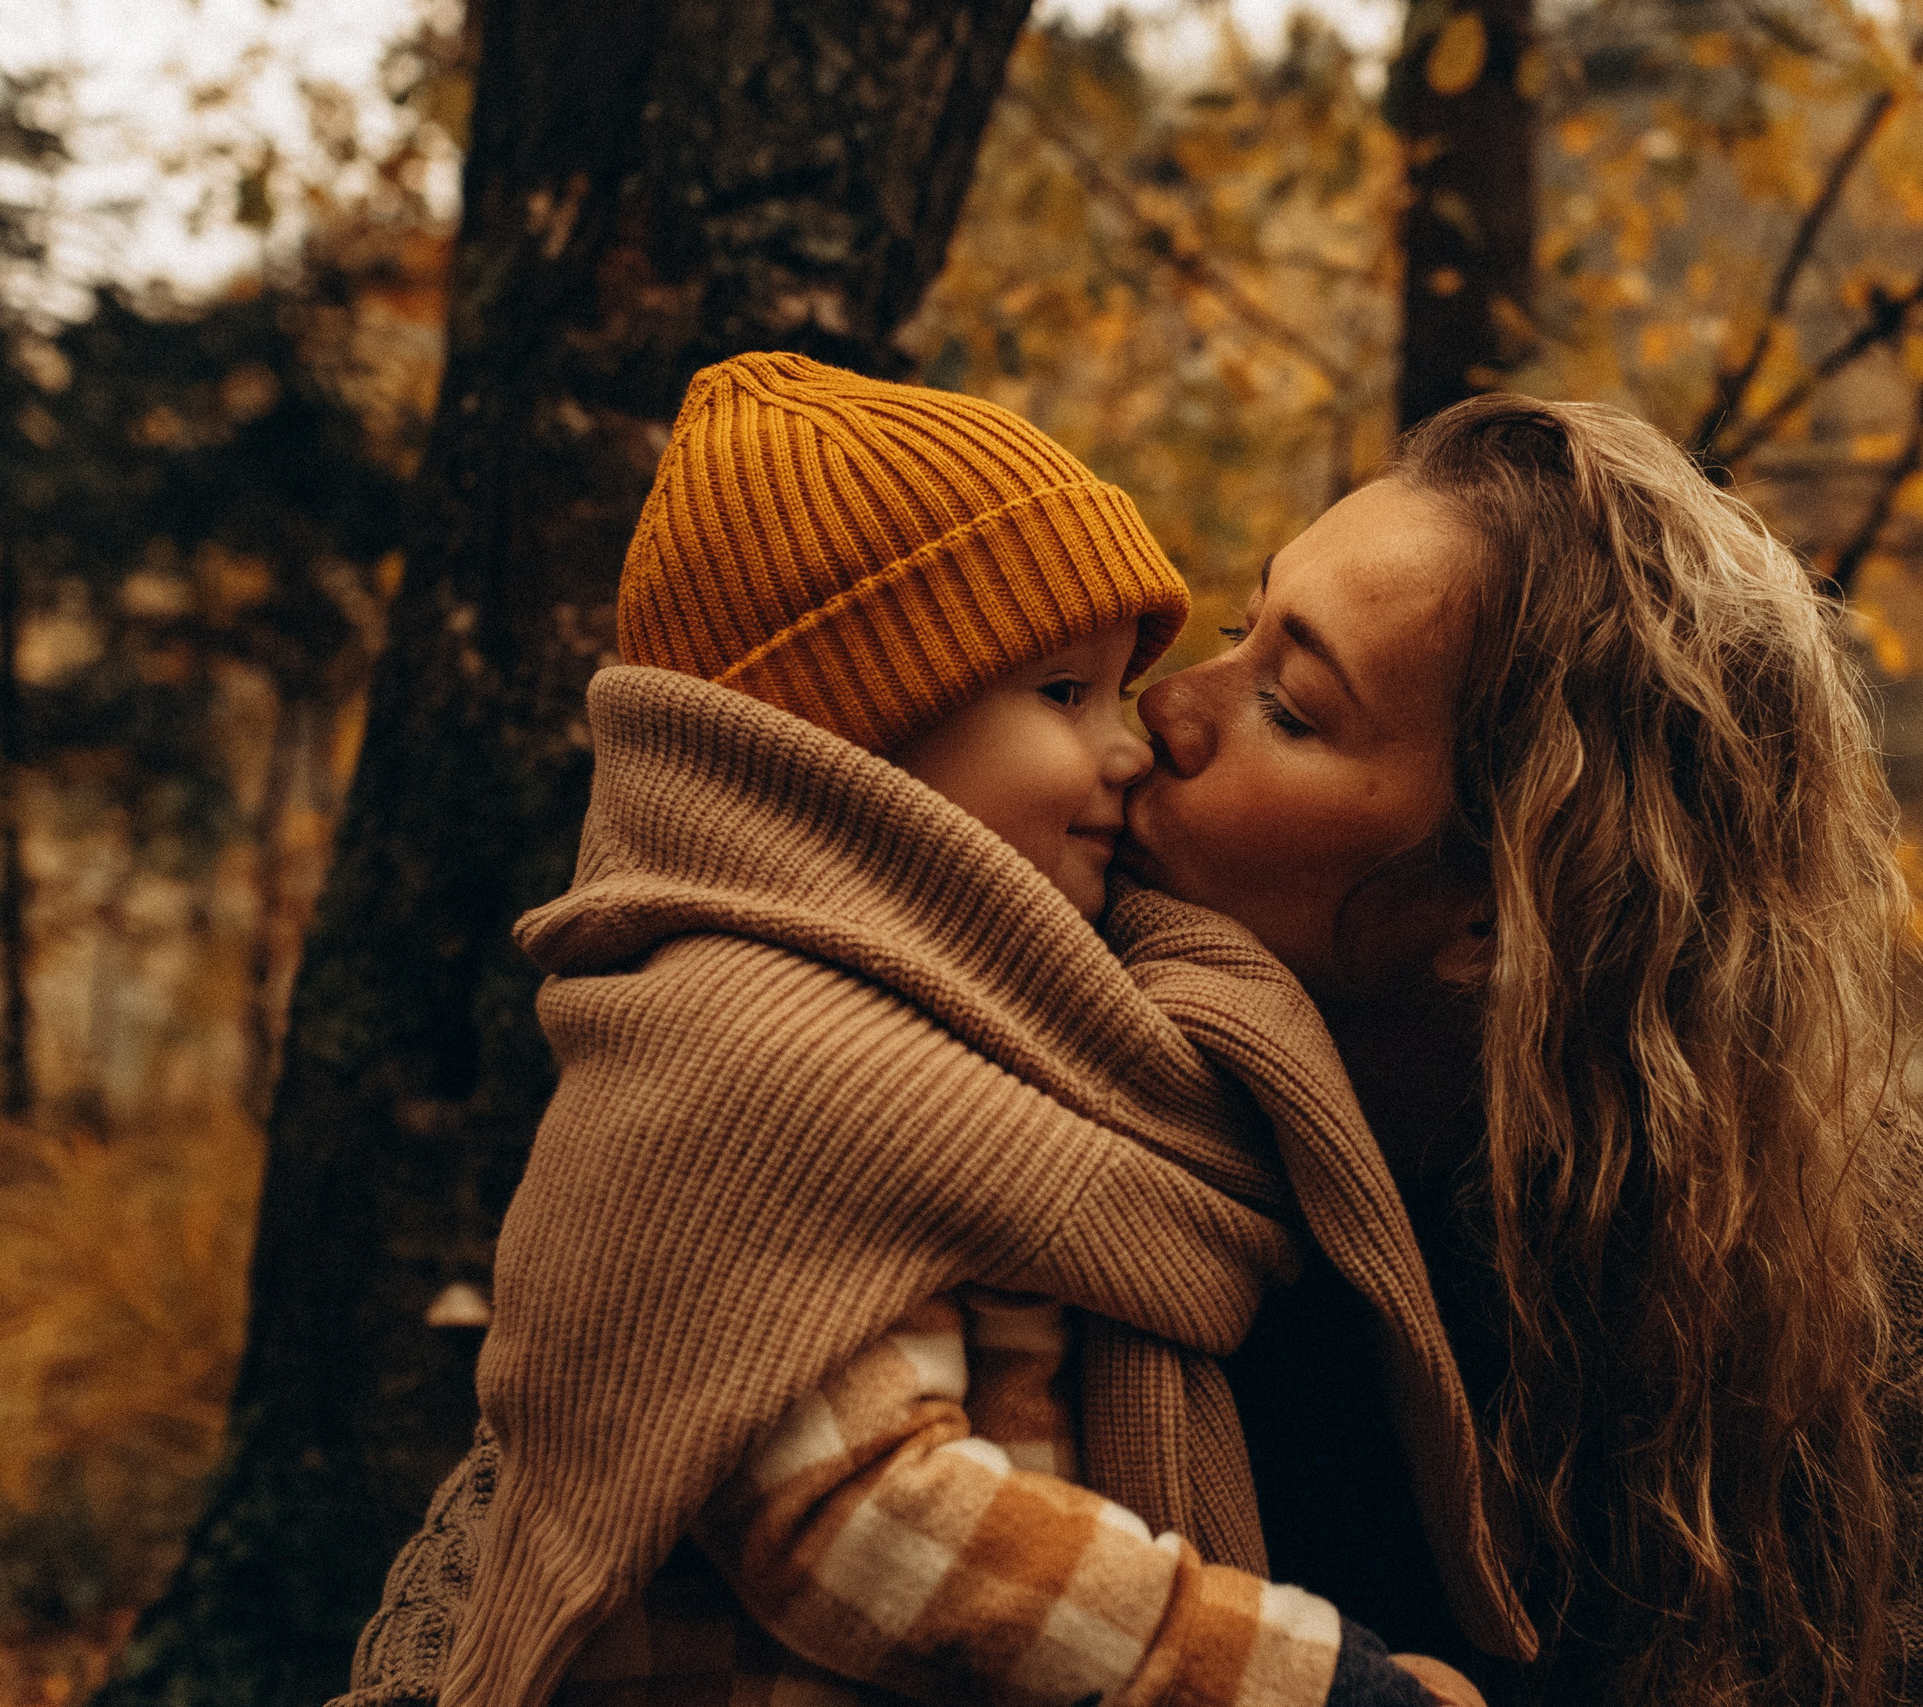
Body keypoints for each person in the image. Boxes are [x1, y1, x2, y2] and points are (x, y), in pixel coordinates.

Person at [347, 385, 1923, 1707]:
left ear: (1497, 914)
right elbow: (533, 1552)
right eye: (1236, 629)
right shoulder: (946, 1059)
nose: (1169, 712)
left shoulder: (1829, 1262)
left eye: (1295, 709)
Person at [396, 352, 1516, 1707]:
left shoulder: (1005, 1035)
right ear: (853, 750)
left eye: (1288, 702)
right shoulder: (776, 1055)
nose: (1142, 731)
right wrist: (1312, 1685)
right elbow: (860, 1516)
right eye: (1063, 695)